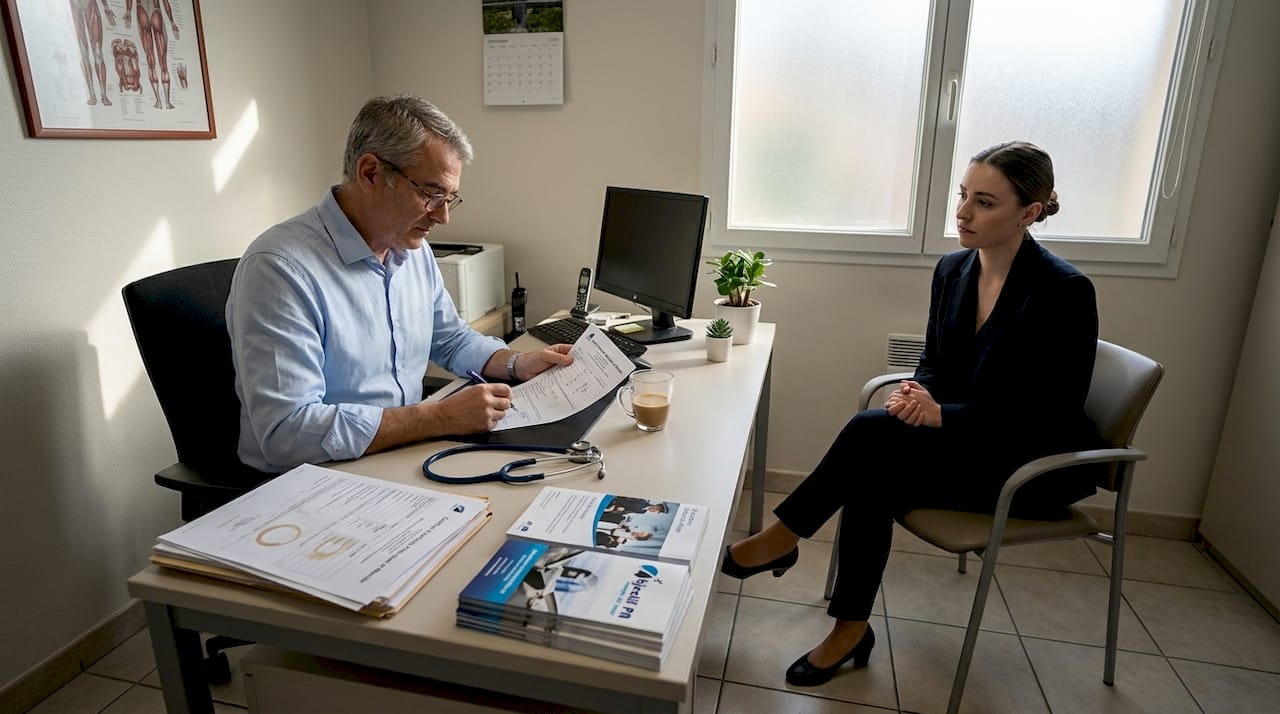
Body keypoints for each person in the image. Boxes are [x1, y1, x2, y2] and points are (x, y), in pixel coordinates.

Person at [720, 141, 1104, 687]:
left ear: (1029, 212)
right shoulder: (953, 270)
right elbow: (934, 361)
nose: (964, 213)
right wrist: (913, 393)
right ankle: (846, 627)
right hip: (971, 445)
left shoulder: (1062, 291)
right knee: (873, 463)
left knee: (870, 441)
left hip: (1031, 463)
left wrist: (942, 415)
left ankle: (786, 540)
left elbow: (1048, 412)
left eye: (985, 202)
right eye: (963, 195)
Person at [227, 94, 573, 473]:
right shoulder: (281, 270)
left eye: (449, 198)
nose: (443, 217)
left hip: (403, 454)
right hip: (316, 478)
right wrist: (438, 418)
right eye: (430, 194)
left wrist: (517, 364)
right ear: (371, 173)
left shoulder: (410, 248)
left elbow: (451, 339)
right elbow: (288, 435)